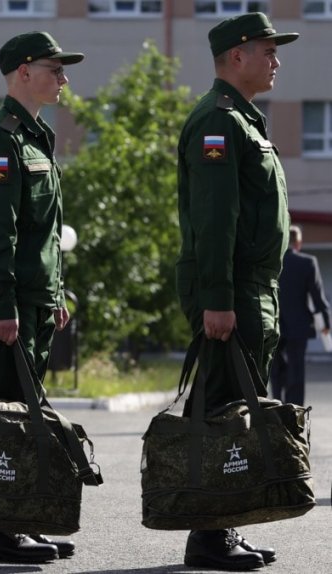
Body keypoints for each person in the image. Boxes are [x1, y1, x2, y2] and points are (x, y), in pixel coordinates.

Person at [174, 13, 298, 571]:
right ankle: (208, 535)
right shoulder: (218, 122)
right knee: (225, 407)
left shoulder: (245, 121)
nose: (277, 61)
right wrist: (217, 297)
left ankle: (224, 526)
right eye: (268, 51)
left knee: (239, 409)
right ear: (237, 56)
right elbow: (215, 219)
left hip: (252, 290)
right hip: (233, 293)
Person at [0, 31, 82, 564]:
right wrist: (3, 307)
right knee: (4, 415)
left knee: (23, 414)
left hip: (34, 300)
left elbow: (45, 233)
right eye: (54, 69)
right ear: (23, 73)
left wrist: (52, 293)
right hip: (8, 305)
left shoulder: (35, 137)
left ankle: (15, 522)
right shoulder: (0, 139)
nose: (63, 79)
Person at [271, 225, 330, 406]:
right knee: (296, 369)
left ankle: (276, 406)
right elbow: (317, 297)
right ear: (298, 242)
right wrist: (325, 323)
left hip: (274, 324)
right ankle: (294, 411)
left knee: (275, 367)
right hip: (299, 325)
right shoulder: (307, 262)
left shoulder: (272, 262)